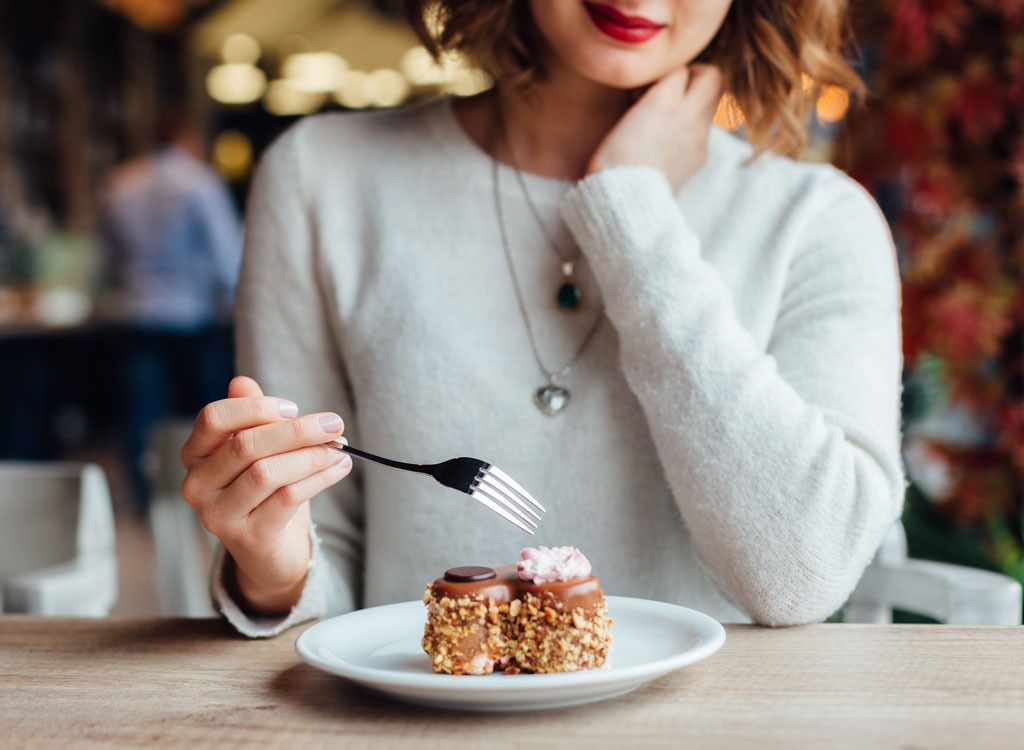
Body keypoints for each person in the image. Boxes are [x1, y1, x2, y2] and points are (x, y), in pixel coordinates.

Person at [181, 0, 905, 637]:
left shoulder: (819, 221)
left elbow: (803, 573)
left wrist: (631, 213)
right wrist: (273, 567)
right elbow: (324, 570)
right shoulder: (321, 180)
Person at [98, 107, 243, 513]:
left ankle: (145, 499)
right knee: (209, 412)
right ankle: (214, 496)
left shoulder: (120, 183)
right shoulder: (199, 182)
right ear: (186, 138)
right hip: (192, 314)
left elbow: (108, 252)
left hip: (139, 310)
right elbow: (226, 253)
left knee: (142, 410)